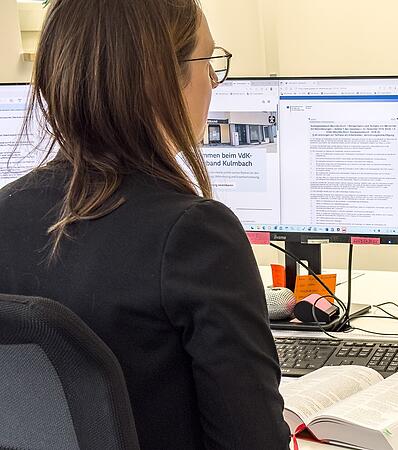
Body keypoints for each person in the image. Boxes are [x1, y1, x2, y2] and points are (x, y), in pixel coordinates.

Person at [0, 0, 289, 448]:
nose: (213, 82)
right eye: (208, 62)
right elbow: (252, 440)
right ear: (159, 81)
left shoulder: (5, 211)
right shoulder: (196, 234)